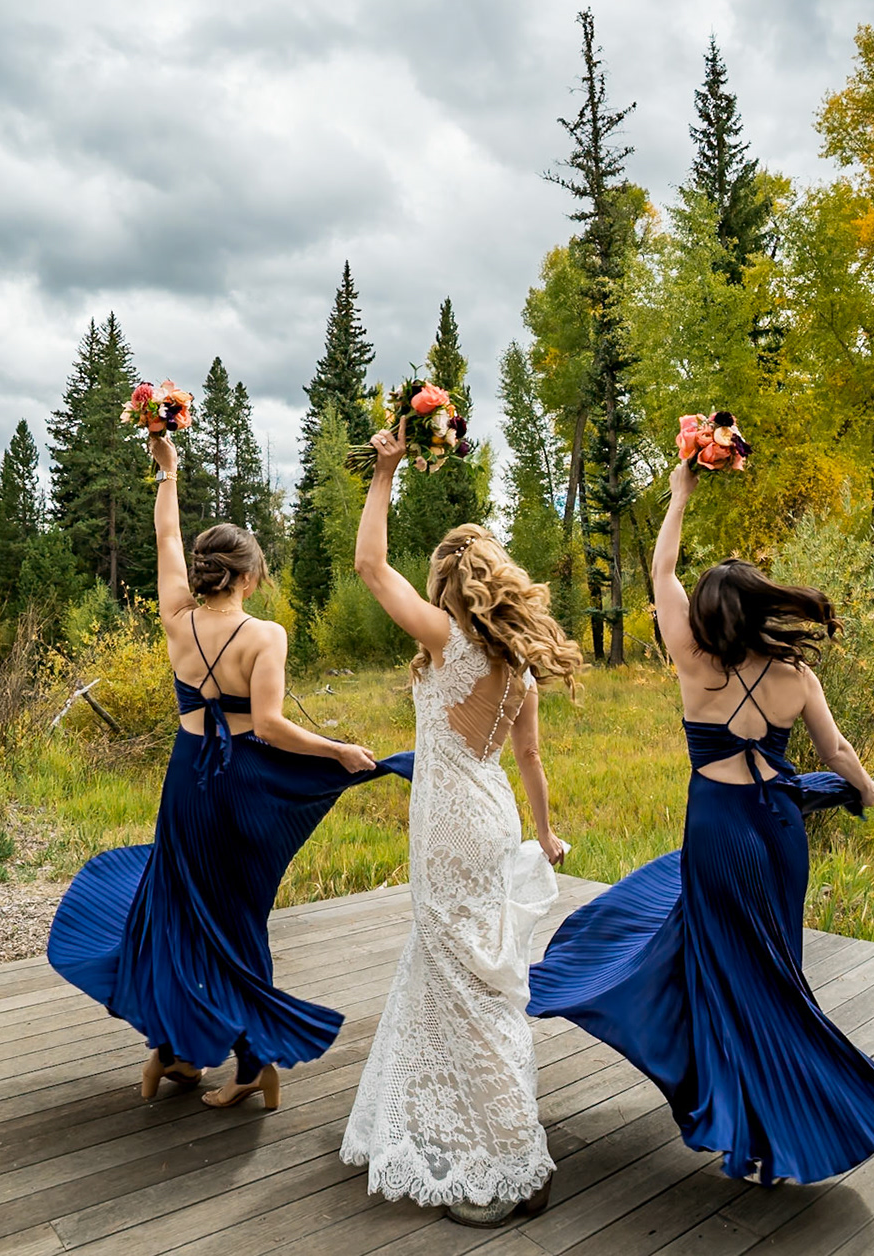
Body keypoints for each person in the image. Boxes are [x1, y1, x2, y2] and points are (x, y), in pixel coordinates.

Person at [528, 459, 874, 1184]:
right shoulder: (795, 677)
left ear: (710, 616)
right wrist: (867, 790)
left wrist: (679, 496)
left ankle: (741, 1113)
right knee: (776, 967)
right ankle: (780, 1122)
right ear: (759, 609)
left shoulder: (693, 664)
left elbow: (662, 572)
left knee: (725, 967)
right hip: (777, 829)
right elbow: (836, 752)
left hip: (717, 829)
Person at [46, 429, 410, 1113]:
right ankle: (248, 1063)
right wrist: (336, 749)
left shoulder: (176, 620)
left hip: (188, 781)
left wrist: (168, 472)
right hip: (241, 783)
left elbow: (164, 539)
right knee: (239, 920)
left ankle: (173, 1051)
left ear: (205, 573)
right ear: (249, 578)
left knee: (175, 910)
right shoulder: (265, 636)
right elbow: (269, 727)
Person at [340, 416, 582, 1227]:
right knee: (473, 975)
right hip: (492, 818)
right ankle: (436, 1126)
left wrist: (385, 472)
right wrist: (543, 834)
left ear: (447, 583)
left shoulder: (449, 643)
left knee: (465, 985)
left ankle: (509, 1160)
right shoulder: (518, 670)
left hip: (449, 828)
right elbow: (530, 761)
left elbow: (369, 566)